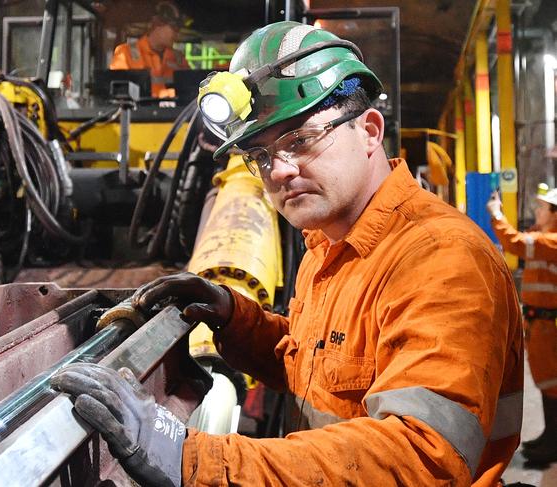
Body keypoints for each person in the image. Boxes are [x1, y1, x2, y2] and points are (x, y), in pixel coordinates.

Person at [52, 21, 524, 486]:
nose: (278, 170)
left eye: (300, 140)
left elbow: (423, 456)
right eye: (259, 156)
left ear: (370, 130)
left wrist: (186, 455)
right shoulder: (327, 247)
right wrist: (233, 318)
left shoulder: (441, 259)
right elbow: (322, 372)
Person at [487, 188, 557, 465]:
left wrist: (496, 214)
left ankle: (553, 441)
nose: (537, 212)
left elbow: (514, 241)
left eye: (542, 208)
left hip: (549, 326)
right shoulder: (546, 240)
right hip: (542, 324)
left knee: (552, 383)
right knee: (547, 382)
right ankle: (550, 436)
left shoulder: (550, 242)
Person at [109, 1, 189, 98]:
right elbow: (120, 92)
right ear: (157, 24)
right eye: (174, 28)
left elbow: (189, 89)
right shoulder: (125, 53)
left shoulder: (178, 58)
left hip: (175, 112)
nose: (177, 34)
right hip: (140, 112)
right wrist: (164, 94)